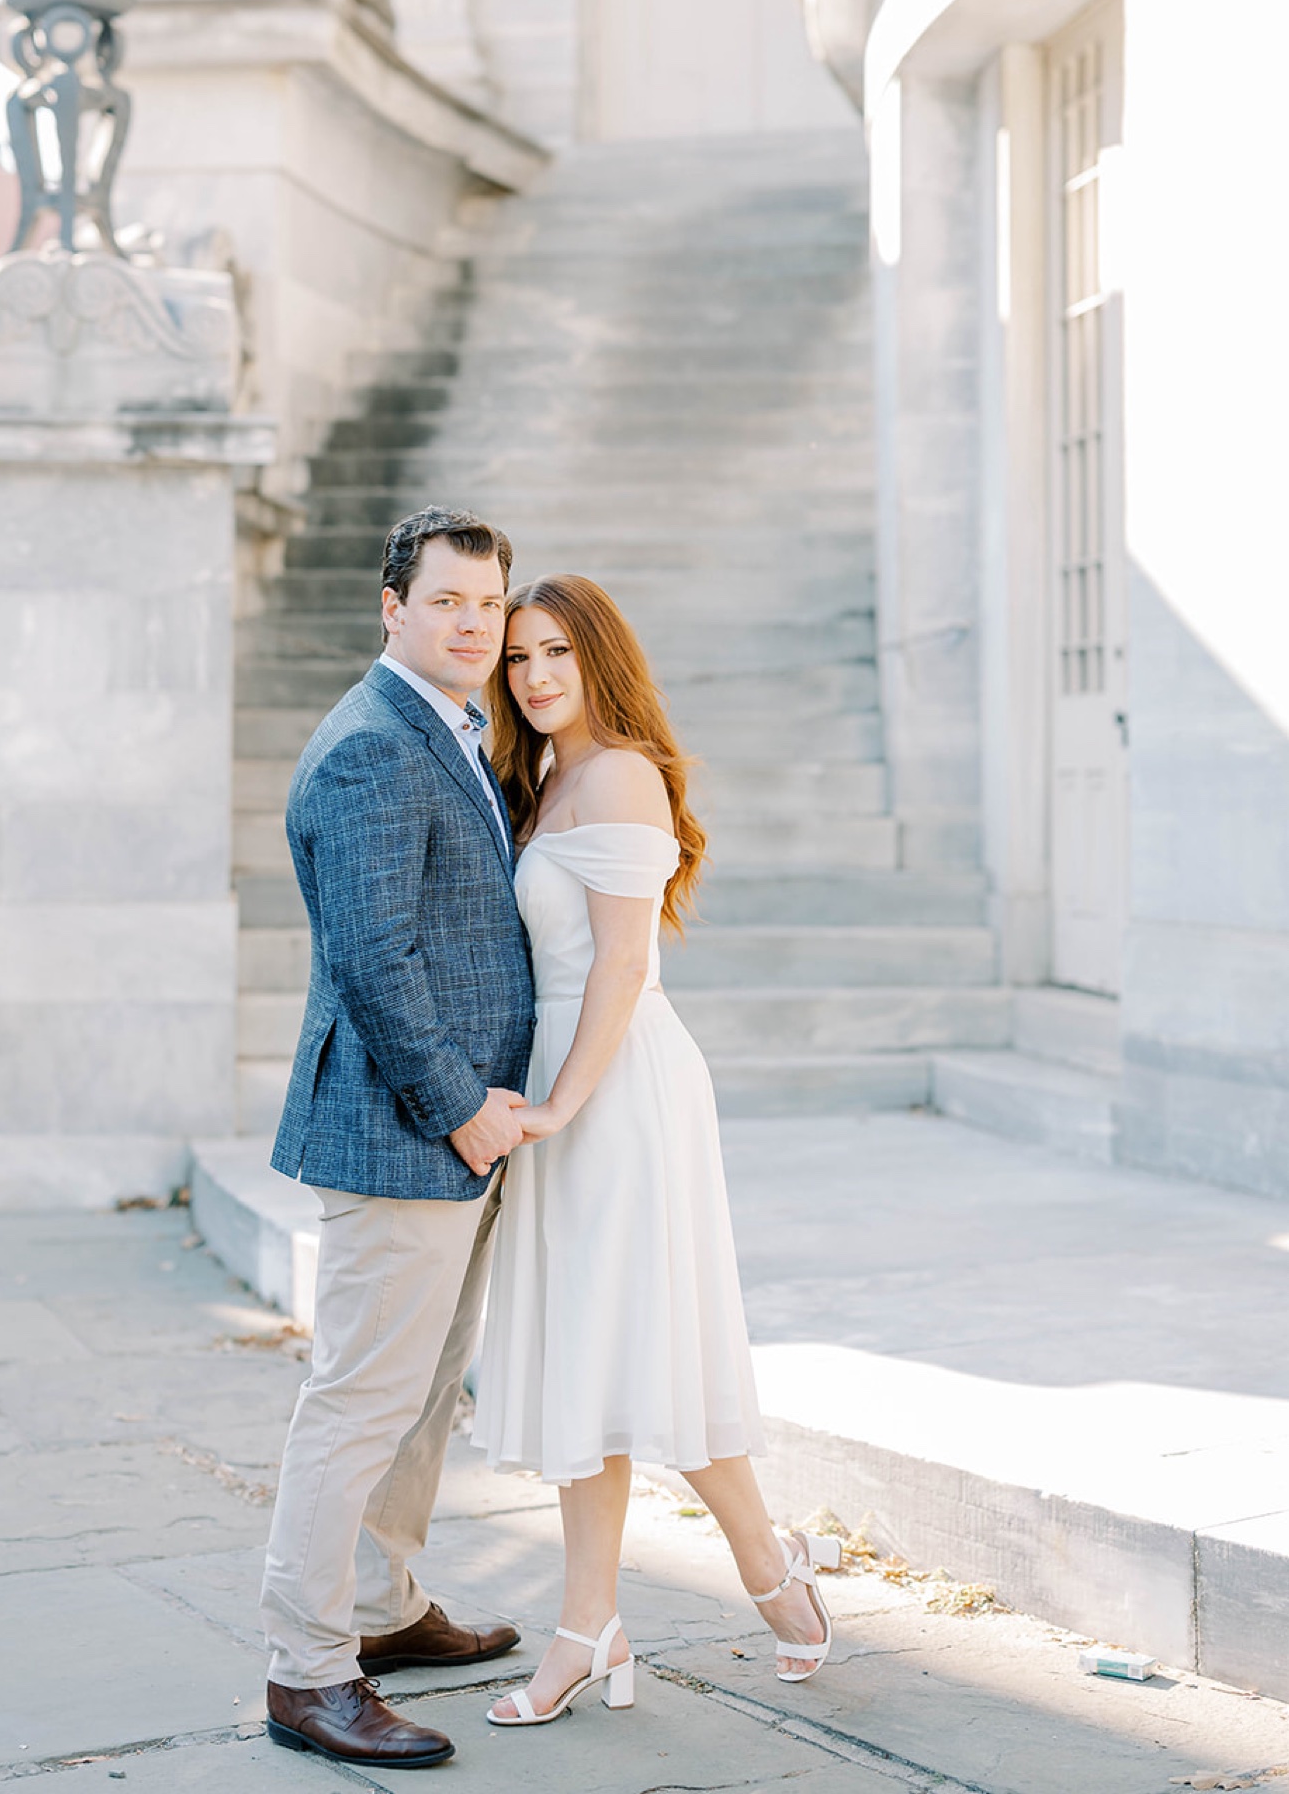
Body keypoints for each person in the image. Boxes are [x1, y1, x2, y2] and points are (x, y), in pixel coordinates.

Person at [472, 573, 839, 1727]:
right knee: (592, 1356)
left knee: (649, 1349)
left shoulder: (619, 773)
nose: (534, 676)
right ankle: (590, 1626)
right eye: (519, 657)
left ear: (599, 661)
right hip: (568, 1087)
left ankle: (768, 1566)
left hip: (619, 1088)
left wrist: (559, 1106)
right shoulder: (543, 783)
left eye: (555, 655)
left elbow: (625, 969)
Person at [259, 506, 536, 1770]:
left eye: (488, 603)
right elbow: (375, 959)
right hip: (402, 1123)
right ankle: (307, 1672)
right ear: (392, 606)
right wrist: (464, 1103)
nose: (473, 625)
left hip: (448, 1131)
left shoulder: (454, 729)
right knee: (358, 1403)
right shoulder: (375, 744)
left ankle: (383, 1608)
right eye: (446, 602)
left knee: (421, 1396)